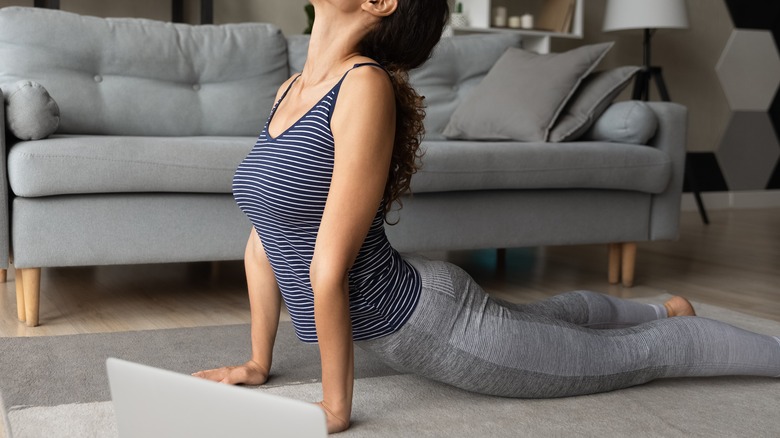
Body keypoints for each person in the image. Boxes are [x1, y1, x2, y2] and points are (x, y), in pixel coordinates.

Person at [194, 0, 780, 433]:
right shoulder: (289, 89)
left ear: (380, 5)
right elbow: (262, 238)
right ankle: (661, 306)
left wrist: (335, 408)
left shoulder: (363, 87)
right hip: (422, 295)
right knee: (548, 320)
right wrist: (257, 361)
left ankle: (676, 325)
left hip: (433, 326)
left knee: (640, 356)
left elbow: (328, 269)